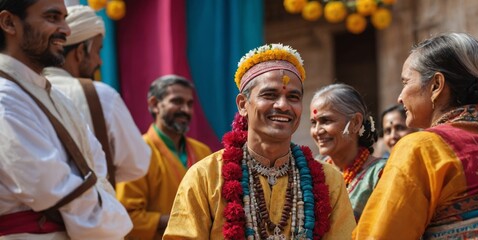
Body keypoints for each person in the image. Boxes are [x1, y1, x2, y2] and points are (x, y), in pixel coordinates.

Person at [163, 43, 355, 239]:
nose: (282, 105)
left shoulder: (330, 180)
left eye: (293, 97)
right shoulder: (205, 176)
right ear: (242, 105)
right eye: (269, 95)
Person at [0, 0, 132, 239]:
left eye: (64, 17)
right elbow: (50, 187)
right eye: (53, 18)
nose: (66, 29)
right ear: (9, 23)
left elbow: (97, 167)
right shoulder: (4, 97)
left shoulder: (53, 96)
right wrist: (115, 221)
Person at [353, 33, 478, 239]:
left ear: (436, 86)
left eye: (405, 82)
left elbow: (381, 235)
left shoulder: (422, 148)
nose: (400, 97)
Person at [43, 5, 150, 186]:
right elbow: (138, 164)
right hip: (92, 210)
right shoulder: (101, 95)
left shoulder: (23, 89)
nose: (99, 61)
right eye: (97, 51)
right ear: (80, 52)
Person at [116, 74, 212, 239]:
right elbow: (127, 217)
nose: (186, 110)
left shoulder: (203, 152)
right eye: (177, 101)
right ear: (154, 105)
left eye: (190, 104)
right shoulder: (137, 151)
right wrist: (181, 221)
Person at [310, 83, 386, 222]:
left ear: (356, 123)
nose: (317, 131)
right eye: (313, 123)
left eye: (326, 120)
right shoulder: (313, 171)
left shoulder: (380, 174)